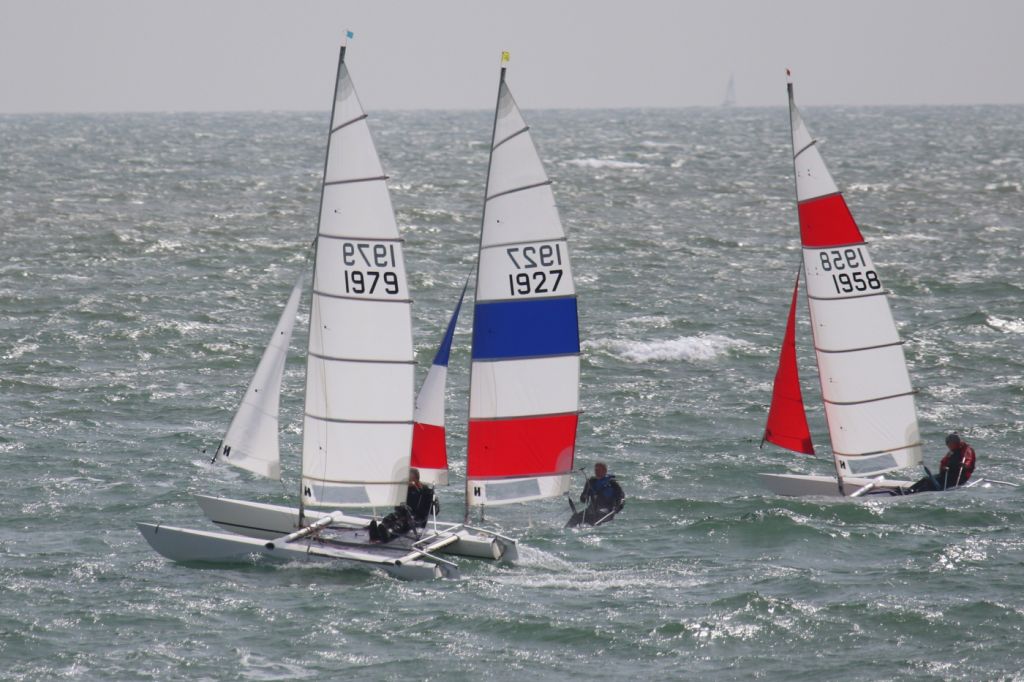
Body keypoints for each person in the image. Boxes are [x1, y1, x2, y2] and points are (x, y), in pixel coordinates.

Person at [367, 468, 438, 543]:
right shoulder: (405, 489)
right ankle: (376, 534)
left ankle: (388, 536)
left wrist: (434, 502)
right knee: (389, 519)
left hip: (418, 518)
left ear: (416, 479)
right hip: (404, 513)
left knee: (402, 524)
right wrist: (401, 507)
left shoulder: (427, 492)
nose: (407, 482)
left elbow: (435, 511)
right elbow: (397, 507)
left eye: (409, 480)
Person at [901, 433, 977, 494]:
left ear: (954, 443)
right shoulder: (952, 452)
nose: (947, 446)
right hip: (947, 475)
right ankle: (909, 490)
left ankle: (914, 492)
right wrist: (944, 467)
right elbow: (944, 462)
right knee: (926, 479)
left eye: (948, 444)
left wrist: (965, 465)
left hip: (957, 478)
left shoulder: (966, 450)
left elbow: (968, 460)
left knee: (930, 482)